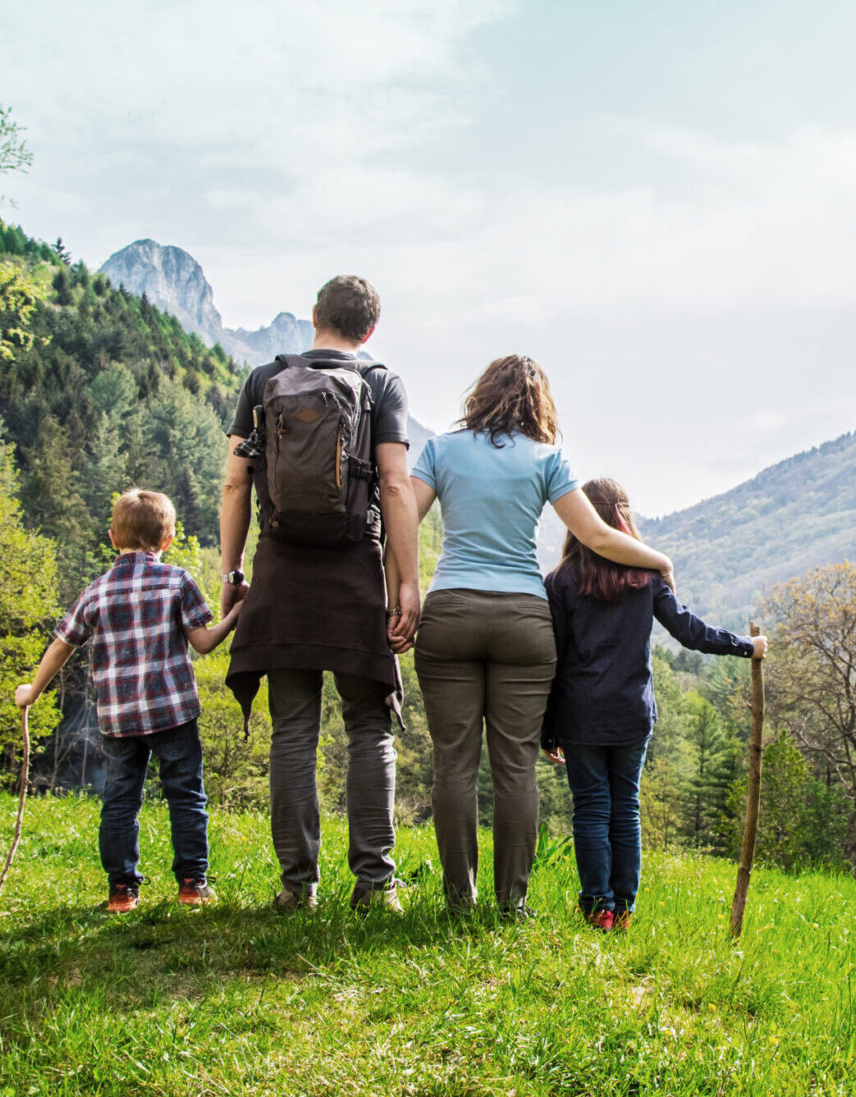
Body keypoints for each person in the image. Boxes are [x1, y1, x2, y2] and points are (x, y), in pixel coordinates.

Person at [409, 355, 673, 918]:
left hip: (450, 610)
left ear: (480, 393)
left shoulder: (440, 451)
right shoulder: (547, 457)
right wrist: (660, 560)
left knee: (453, 765)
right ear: (538, 403)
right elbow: (598, 537)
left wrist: (403, 589)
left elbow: (400, 521)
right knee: (515, 767)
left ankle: (460, 901)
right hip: (523, 621)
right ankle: (511, 904)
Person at [218, 276, 422, 913]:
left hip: (281, 571)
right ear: (368, 331)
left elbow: (233, 485)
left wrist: (231, 576)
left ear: (313, 317)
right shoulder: (383, 383)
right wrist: (405, 583)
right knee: (369, 729)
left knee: (293, 732)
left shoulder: (263, 379)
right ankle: (374, 885)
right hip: (354, 569)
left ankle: (296, 887)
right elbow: (392, 486)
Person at [540, 478, 763, 931]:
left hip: (580, 713)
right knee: (625, 807)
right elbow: (691, 633)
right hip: (631, 713)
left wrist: (547, 726)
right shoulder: (646, 579)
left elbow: (554, 658)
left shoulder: (560, 581)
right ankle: (623, 910)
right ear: (624, 517)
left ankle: (596, 907)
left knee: (591, 808)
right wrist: (748, 646)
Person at [14, 489, 239, 913]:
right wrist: (236, 615)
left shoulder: (97, 591)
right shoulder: (178, 580)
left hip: (118, 718)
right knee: (186, 795)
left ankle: (121, 892)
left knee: (120, 799)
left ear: (113, 537)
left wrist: (33, 691)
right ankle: (192, 884)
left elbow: (62, 645)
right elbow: (204, 643)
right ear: (167, 539)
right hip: (172, 711)